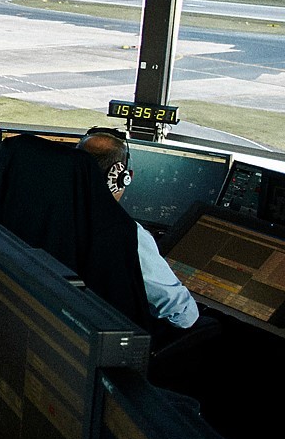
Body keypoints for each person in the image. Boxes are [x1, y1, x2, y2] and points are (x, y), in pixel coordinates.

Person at [76, 128, 200, 329]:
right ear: (124, 177)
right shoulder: (128, 236)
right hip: (117, 335)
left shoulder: (52, 214)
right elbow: (182, 314)